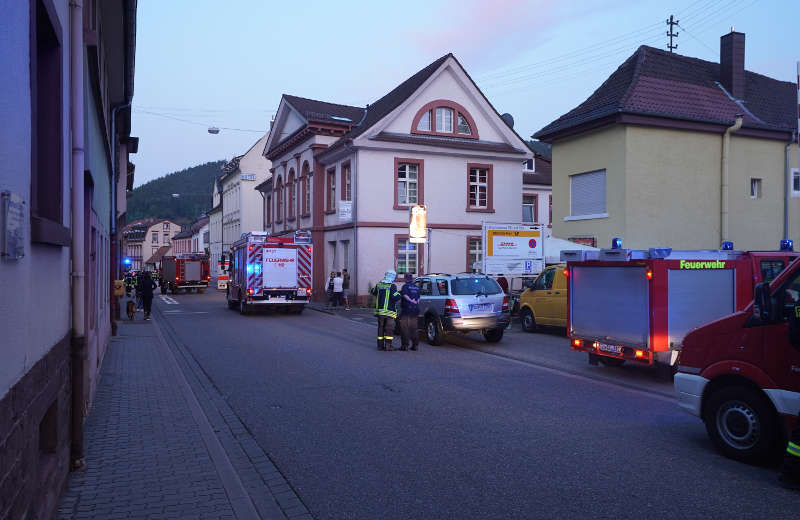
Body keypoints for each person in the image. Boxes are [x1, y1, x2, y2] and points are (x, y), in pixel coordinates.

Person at [370, 269, 401, 351]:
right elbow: (395, 297)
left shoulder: (379, 285)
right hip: (389, 312)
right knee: (389, 329)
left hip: (380, 312)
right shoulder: (392, 286)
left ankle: (380, 346)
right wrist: (400, 293)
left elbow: (373, 291)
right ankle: (388, 346)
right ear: (392, 277)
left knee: (380, 328)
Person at [399, 273, 420, 351]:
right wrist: (415, 302)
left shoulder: (405, 286)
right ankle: (415, 345)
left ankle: (405, 346)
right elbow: (418, 299)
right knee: (414, 328)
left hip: (407, 310)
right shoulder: (416, 287)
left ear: (405, 278)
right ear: (412, 279)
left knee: (405, 328)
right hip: (415, 310)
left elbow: (404, 295)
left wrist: (410, 301)